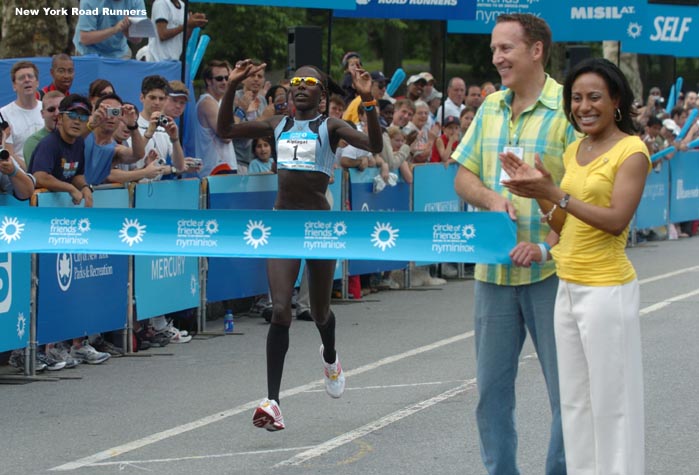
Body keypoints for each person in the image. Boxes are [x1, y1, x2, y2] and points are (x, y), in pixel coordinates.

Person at [500, 57, 649, 475]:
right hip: (568, 285)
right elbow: (565, 225)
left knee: (612, 402)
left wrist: (554, 192)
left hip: (607, 290)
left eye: (595, 97)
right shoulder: (574, 149)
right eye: (576, 98)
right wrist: (540, 192)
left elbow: (616, 220)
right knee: (576, 401)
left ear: (616, 100)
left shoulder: (632, 152)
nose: (584, 106)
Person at [217, 59, 383, 431]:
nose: (301, 85)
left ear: (322, 95)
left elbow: (374, 144)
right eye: (295, 81)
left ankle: (330, 356)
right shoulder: (277, 124)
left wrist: (367, 101)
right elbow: (225, 128)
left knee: (321, 313)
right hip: (282, 224)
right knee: (280, 310)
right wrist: (231, 86)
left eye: (310, 82)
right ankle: (273, 402)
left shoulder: (331, 126)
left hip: (320, 226)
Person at [451, 13, 576, 475]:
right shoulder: (489, 107)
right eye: (494, 50)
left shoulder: (568, 109)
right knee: (491, 395)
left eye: (506, 48)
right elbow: (463, 175)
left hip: (551, 273)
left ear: (536, 50)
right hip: (494, 274)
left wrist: (546, 244)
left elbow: (580, 197)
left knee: (567, 394)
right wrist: (491, 198)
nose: (497, 58)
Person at [196, 60, 238, 177]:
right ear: (208, 81)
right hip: (215, 169)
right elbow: (226, 135)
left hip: (224, 167)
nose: (224, 82)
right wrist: (240, 111)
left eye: (227, 78)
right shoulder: (207, 102)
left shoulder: (218, 102)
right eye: (219, 78)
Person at [1, 61, 44, 169]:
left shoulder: (49, 110)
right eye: (21, 78)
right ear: (14, 86)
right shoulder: (3, 114)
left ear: (37, 82)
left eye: (30, 76)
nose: (27, 80)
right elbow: (9, 153)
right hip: (18, 175)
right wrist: (32, 174)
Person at [73, 0, 147, 59]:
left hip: (119, 53)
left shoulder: (136, 1)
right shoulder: (90, 1)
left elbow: (138, 39)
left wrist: (126, 31)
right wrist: (114, 30)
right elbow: (85, 38)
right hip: (88, 52)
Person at [24, 91, 64, 169]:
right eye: (51, 109)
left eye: (61, 108)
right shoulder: (34, 142)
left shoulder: (76, 137)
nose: (57, 113)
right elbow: (39, 178)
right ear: (42, 114)